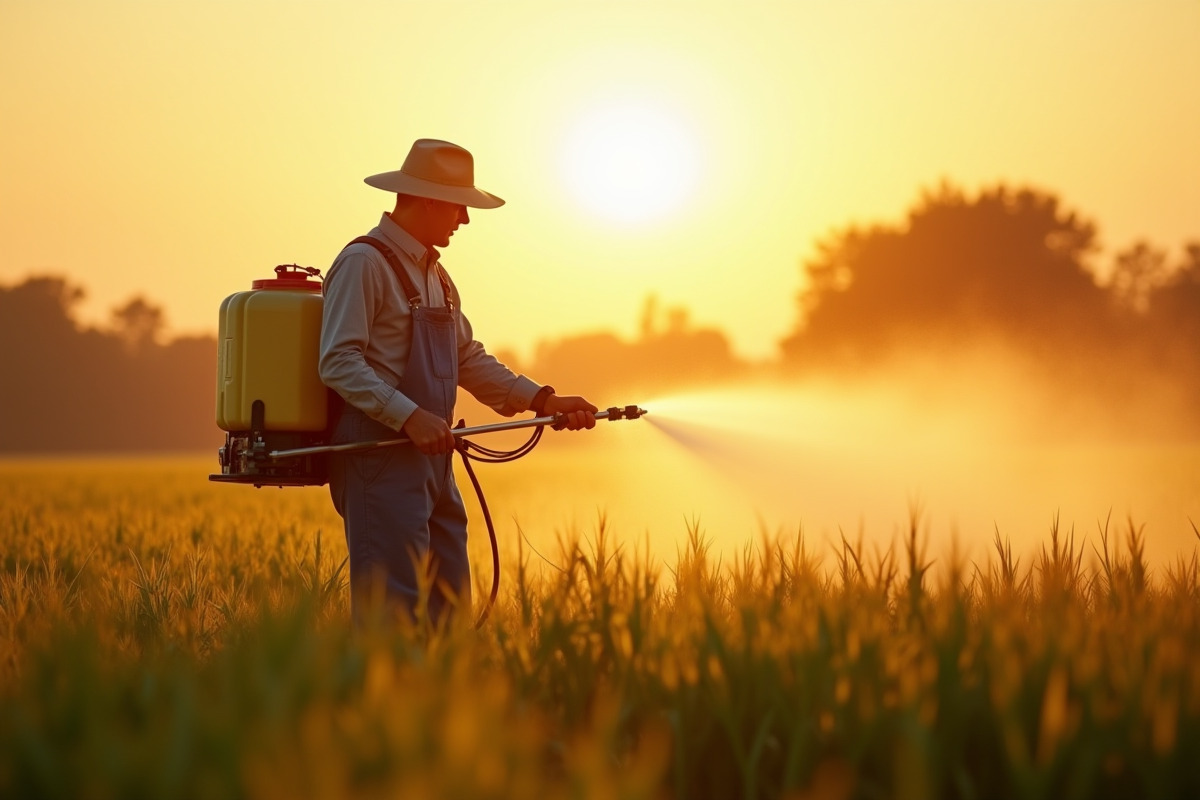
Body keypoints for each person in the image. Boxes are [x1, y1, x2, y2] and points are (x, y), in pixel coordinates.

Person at [319, 138, 597, 625]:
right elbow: (339, 361)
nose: (465, 220)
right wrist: (409, 417)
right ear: (426, 200)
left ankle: (444, 697)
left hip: (433, 457)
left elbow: (465, 357)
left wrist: (542, 400)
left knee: (450, 604)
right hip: (380, 460)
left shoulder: (438, 276)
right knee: (393, 618)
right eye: (459, 207)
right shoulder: (363, 264)